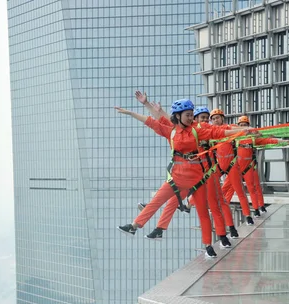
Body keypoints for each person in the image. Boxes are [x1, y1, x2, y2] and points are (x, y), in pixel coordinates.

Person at [115, 99, 248, 258]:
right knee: (156, 201)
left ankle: (207, 245)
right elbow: (152, 121)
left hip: (197, 179)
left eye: (192, 115)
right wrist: (134, 111)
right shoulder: (170, 131)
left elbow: (218, 133)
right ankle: (134, 226)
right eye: (188, 115)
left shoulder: (196, 131)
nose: (191, 118)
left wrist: (241, 131)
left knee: (203, 213)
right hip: (177, 178)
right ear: (178, 116)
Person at [140, 106, 234, 249]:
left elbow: (223, 130)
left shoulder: (206, 129)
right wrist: (151, 107)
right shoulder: (189, 130)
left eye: (206, 117)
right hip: (189, 175)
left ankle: (223, 236)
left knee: (215, 205)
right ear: (194, 119)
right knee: (173, 200)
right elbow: (166, 122)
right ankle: (159, 229)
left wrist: (245, 130)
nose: (205, 119)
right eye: (201, 117)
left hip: (208, 175)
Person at [222, 115, 274, 216]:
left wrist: (268, 136)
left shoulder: (252, 138)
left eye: (244, 125)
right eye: (241, 125)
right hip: (236, 167)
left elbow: (264, 140)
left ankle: (258, 207)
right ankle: (222, 206)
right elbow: (227, 128)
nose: (243, 127)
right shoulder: (235, 137)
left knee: (254, 187)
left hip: (249, 166)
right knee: (228, 186)